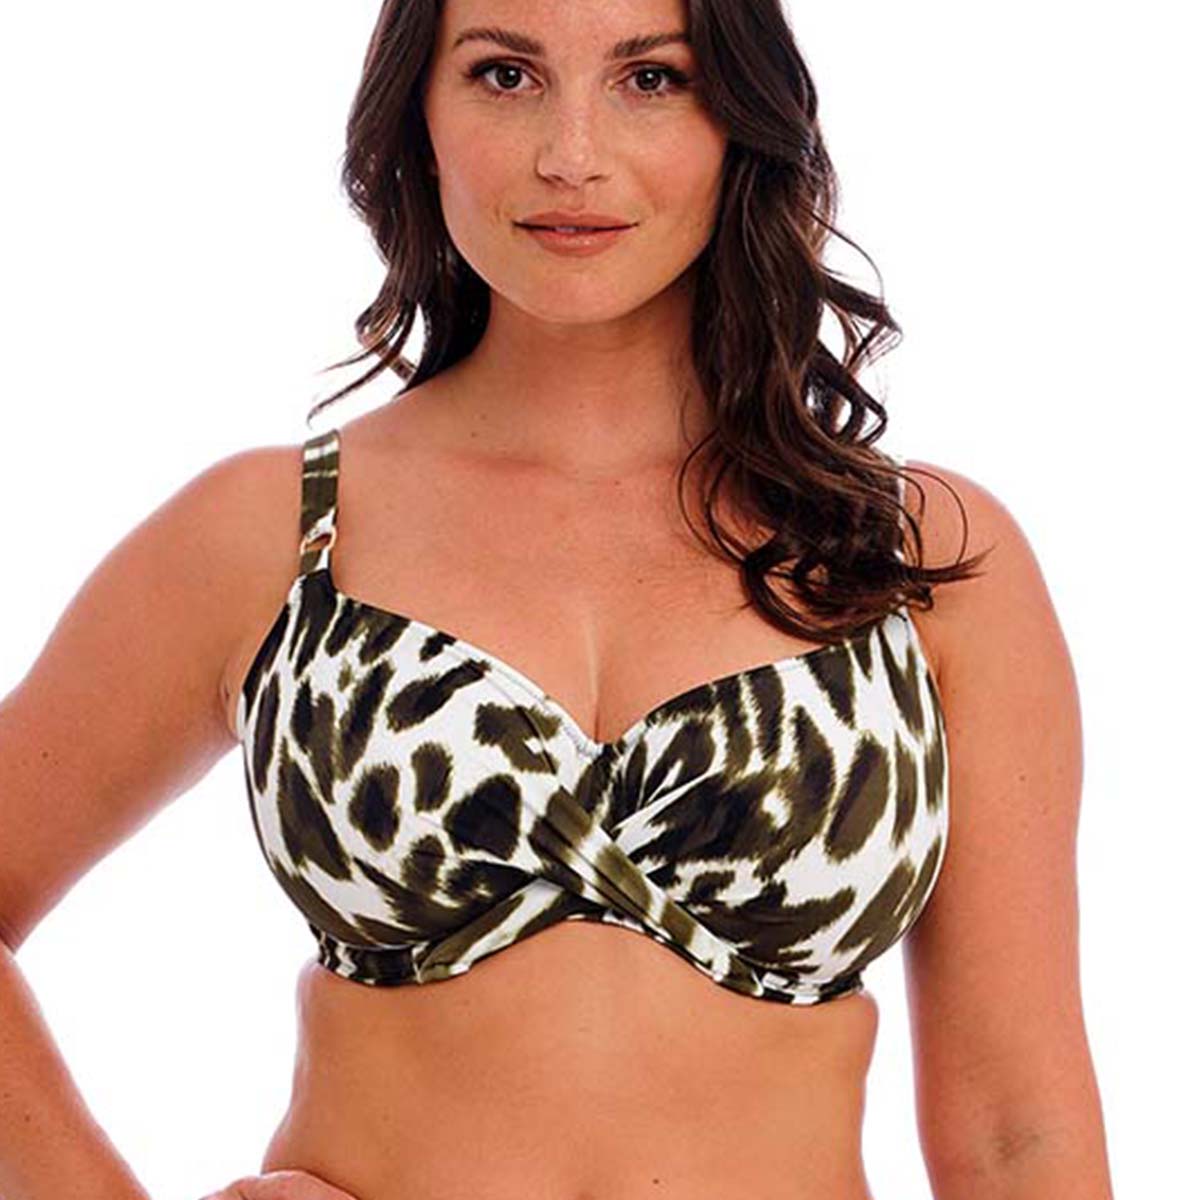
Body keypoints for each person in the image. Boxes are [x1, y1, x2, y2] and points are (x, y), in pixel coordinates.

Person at [0, 2, 1115, 1199]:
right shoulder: (277, 534)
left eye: (651, 79)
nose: (570, 156)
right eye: (504, 75)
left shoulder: (917, 559)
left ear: (742, 119)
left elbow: (1018, 1133)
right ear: (417, 116)